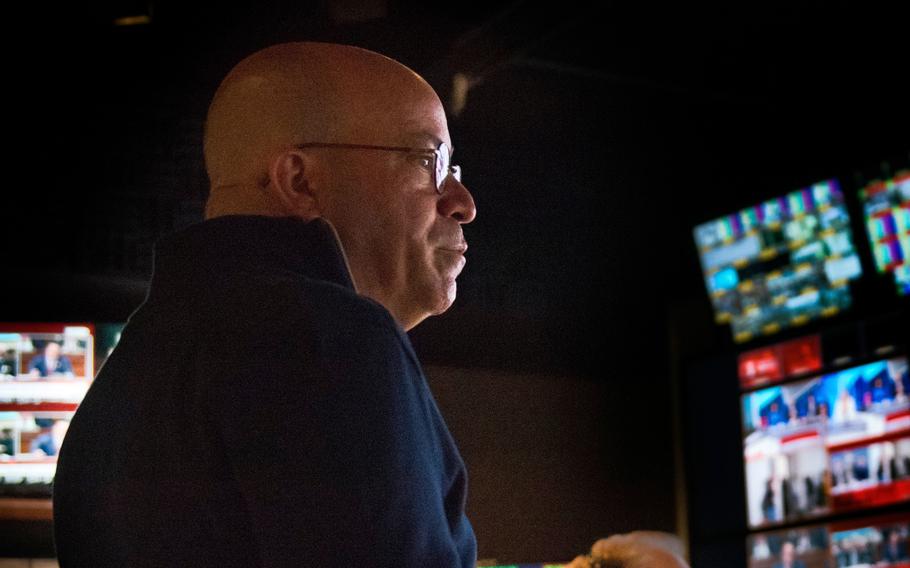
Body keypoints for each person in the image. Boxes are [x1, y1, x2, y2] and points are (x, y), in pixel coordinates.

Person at [53, 42, 477, 567]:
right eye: (428, 160)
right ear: (301, 181)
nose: (463, 202)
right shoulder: (326, 335)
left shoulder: (127, 375)